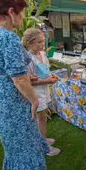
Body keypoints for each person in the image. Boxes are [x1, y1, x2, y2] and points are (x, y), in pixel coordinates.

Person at [0, 0, 53, 170]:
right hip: (12, 97)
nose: (22, 16)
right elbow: (19, 79)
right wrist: (34, 100)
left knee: (11, 140)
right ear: (11, 12)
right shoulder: (8, 37)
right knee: (23, 140)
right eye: (21, 12)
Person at [22, 28, 61, 157]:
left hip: (44, 90)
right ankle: (43, 146)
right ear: (29, 43)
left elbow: (45, 70)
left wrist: (51, 75)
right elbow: (30, 82)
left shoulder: (42, 54)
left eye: (43, 41)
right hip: (36, 93)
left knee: (43, 117)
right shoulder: (28, 59)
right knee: (41, 119)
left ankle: (42, 139)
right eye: (39, 42)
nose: (42, 45)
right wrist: (47, 81)